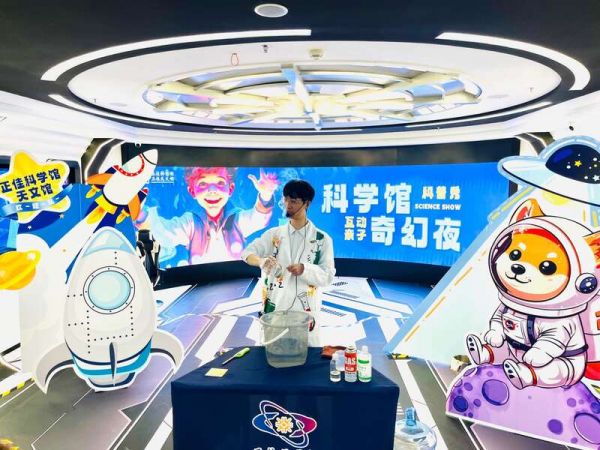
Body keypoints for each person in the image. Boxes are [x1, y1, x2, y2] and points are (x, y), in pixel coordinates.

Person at [242, 179, 335, 346]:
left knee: (306, 355)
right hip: (276, 307)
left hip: (304, 310)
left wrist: (304, 269)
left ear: (307, 203)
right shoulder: (274, 235)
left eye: (293, 201)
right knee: (272, 352)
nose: (288, 205)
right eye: (285, 199)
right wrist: (261, 261)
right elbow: (247, 253)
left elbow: (327, 276)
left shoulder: (322, 239)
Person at [145, 167, 279, 265]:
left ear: (230, 189)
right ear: (192, 191)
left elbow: (258, 219)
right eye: (203, 184)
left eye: (220, 183)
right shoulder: (190, 222)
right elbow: (164, 233)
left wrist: (266, 195)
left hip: (235, 279)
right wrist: (142, 213)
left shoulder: (236, 219)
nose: (212, 191)